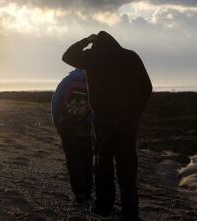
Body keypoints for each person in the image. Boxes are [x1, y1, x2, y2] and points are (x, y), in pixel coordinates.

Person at [62, 31, 153, 220]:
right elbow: (147, 87)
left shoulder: (93, 56)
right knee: (127, 167)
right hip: (128, 121)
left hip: (103, 120)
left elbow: (67, 55)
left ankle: (103, 207)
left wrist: (87, 40)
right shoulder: (131, 56)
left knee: (103, 165)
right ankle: (130, 212)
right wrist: (136, 112)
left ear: (97, 45)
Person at [51, 68, 93, 204]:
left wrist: (58, 124)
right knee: (87, 159)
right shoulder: (94, 79)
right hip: (87, 126)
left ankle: (78, 193)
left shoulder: (67, 80)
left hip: (68, 125)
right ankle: (88, 191)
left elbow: (55, 103)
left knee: (73, 159)